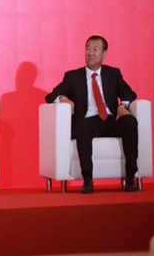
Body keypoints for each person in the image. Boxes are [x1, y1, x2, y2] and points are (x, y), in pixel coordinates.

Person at [45, 35, 138, 193]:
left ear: (104, 54)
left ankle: (130, 177)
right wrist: (64, 99)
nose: (91, 53)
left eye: (95, 49)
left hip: (110, 120)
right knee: (82, 125)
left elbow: (129, 93)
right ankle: (87, 179)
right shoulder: (73, 77)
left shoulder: (113, 74)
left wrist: (122, 106)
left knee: (130, 121)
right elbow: (51, 96)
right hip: (88, 122)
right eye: (88, 49)